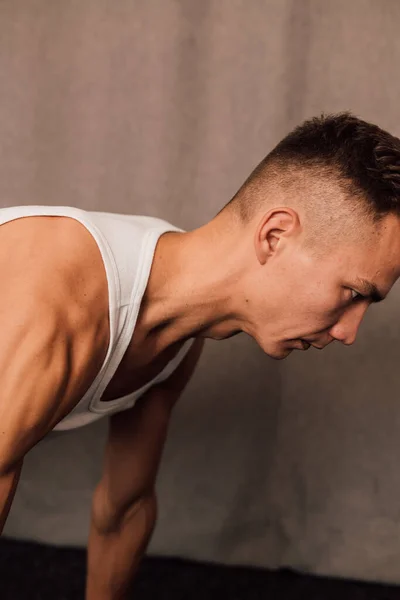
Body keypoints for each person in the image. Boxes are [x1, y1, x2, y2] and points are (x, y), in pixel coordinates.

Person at [1, 112, 400, 599]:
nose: (349, 331)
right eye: (353, 292)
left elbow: (123, 510)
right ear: (275, 235)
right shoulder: (62, 294)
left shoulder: (178, 333)